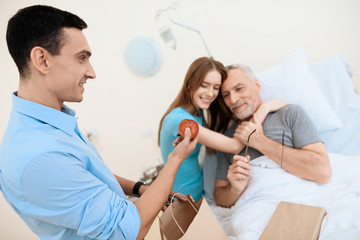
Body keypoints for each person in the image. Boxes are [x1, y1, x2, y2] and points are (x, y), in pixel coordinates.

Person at [0, 5, 198, 240]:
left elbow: (89, 177)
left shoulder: (50, 123)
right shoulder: (39, 156)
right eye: (81, 58)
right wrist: (175, 159)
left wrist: (139, 189)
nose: (91, 72)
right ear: (42, 60)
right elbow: (130, 230)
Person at [158, 57, 286, 201]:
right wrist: (265, 108)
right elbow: (235, 145)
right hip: (182, 200)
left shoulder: (197, 112)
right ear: (190, 84)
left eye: (216, 87)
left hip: (198, 193)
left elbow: (215, 143)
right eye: (204, 85)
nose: (210, 93)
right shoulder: (180, 120)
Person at [213, 64, 332, 207]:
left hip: (299, 201)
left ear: (257, 86)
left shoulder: (289, 114)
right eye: (226, 95)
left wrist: (260, 141)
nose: (233, 100)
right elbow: (220, 199)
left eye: (239, 89)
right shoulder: (227, 139)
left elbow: (322, 171)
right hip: (256, 209)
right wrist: (234, 190)